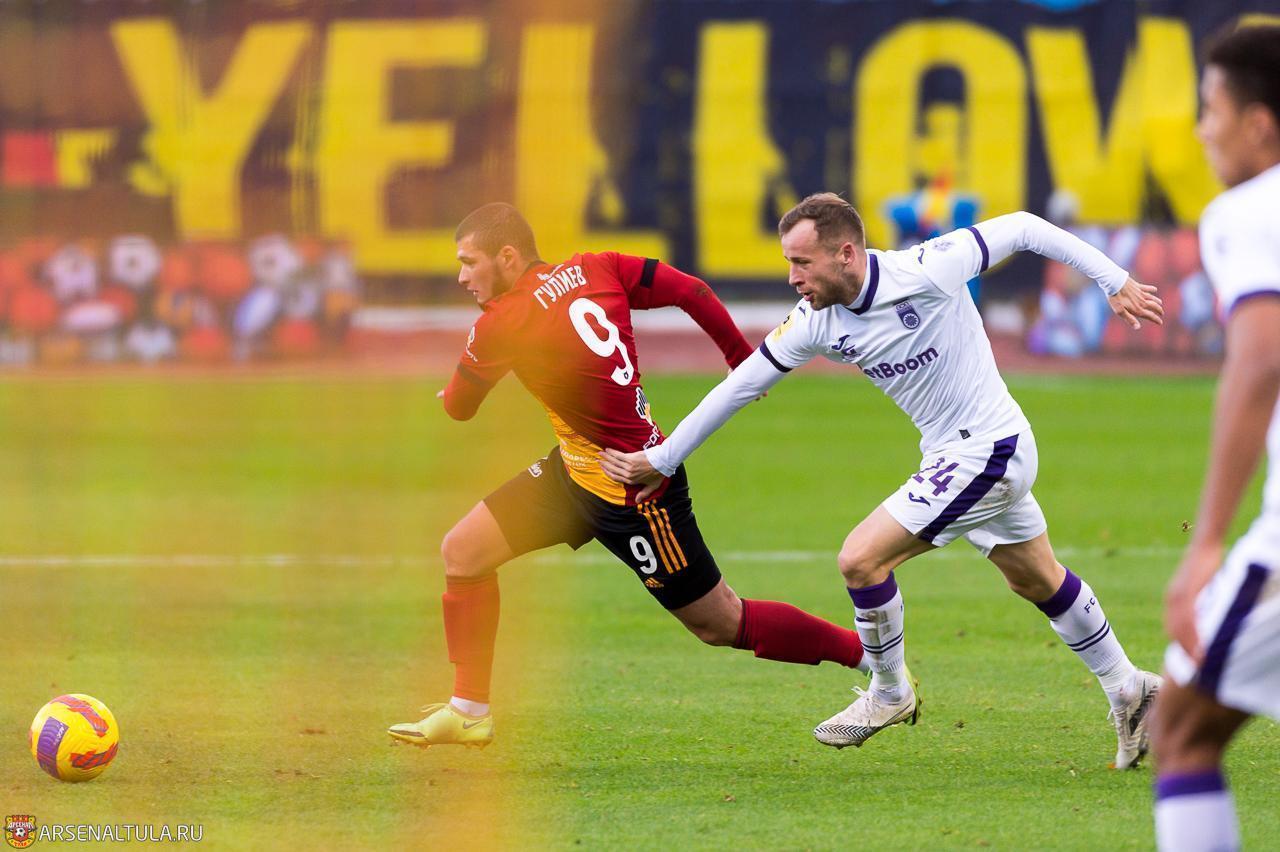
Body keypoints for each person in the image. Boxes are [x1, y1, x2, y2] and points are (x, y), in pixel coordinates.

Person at [600, 191, 1165, 766]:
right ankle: (1129, 687)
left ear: (845, 253)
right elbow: (742, 385)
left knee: (860, 559)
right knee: (1036, 578)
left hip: (989, 449)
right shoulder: (815, 321)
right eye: (788, 263)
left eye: (802, 262)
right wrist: (664, 457)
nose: (793, 278)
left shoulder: (928, 268)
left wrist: (1115, 280)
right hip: (954, 455)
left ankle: (890, 692)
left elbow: (1023, 226)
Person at [388, 202, 869, 749]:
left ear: (507, 256)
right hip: (574, 473)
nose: (462, 277)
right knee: (464, 552)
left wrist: (450, 391)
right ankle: (469, 711)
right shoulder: (600, 267)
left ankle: (869, 657)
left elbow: (459, 408)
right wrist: (741, 359)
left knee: (721, 623)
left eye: (469, 262)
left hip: (638, 490)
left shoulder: (501, 323)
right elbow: (694, 291)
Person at [1150, 25, 1280, 852]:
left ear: (1258, 125)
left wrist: (1205, 546)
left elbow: (1260, 360)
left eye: (1211, 110)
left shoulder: (1249, 210)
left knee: (1182, 729)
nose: (1202, 131)